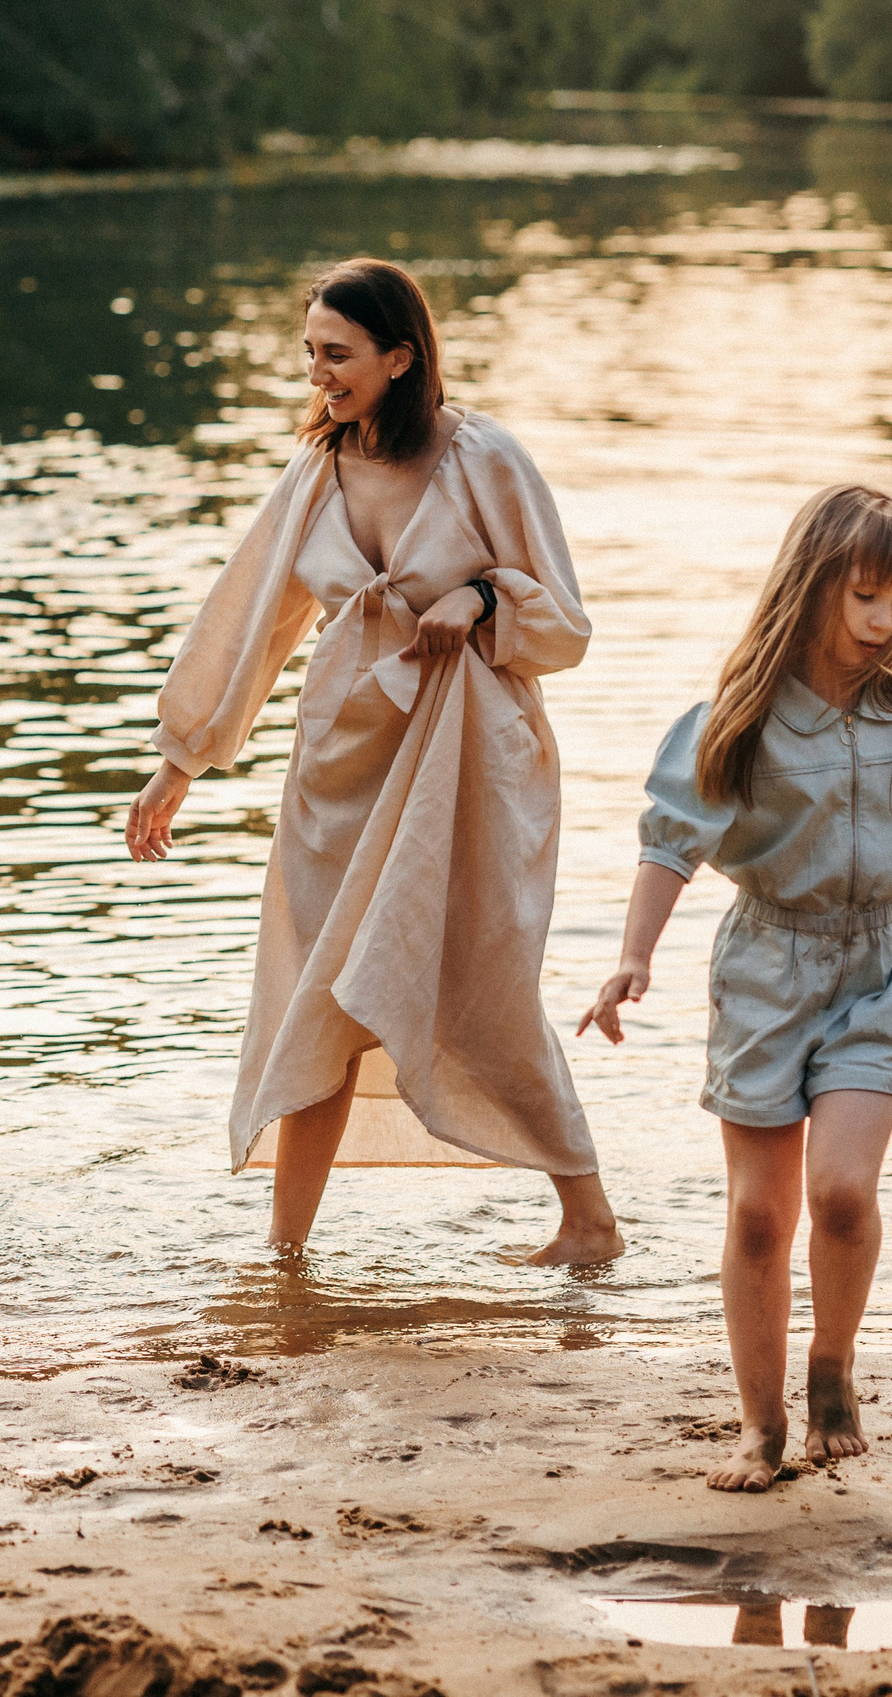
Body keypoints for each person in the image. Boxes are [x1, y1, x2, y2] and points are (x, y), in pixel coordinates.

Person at [126, 257, 623, 1266]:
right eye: (310, 352)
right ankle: (285, 1252)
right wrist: (179, 762)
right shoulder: (314, 472)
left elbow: (563, 625)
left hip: (462, 764)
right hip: (336, 773)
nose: (318, 373)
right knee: (319, 996)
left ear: (400, 357)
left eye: (338, 354)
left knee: (476, 985)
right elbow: (251, 621)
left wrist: (480, 599)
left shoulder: (481, 458)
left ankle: (588, 1219)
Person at [579, 483, 892, 1493]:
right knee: (761, 1214)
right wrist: (634, 955)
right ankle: (758, 1430)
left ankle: (831, 1369)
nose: (883, 625)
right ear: (811, 588)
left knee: (840, 1193)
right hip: (767, 970)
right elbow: (670, 844)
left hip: (884, 964)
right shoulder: (739, 719)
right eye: (865, 600)